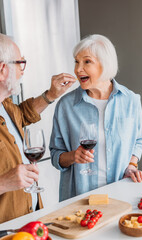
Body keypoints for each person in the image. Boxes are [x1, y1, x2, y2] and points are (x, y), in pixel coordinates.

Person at [50, 34, 142, 202]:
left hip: (120, 195)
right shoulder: (66, 105)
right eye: (76, 61)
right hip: (79, 199)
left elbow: (138, 141)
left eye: (87, 62)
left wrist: (131, 166)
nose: (78, 69)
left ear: (105, 64)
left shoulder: (131, 100)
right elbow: (55, 154)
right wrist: (73, 156)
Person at [0, 33, 76, 223]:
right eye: (20, 63)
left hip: (29, 220)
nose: (23, 71)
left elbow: (23, 114)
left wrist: (51, 94)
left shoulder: (6, 106)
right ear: (2, 69)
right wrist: (2, 183)